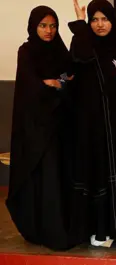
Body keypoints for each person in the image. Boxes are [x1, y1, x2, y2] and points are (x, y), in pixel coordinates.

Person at [68, 0, 116, 248]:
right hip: (94, 125)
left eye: (105, 19)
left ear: (113, 20)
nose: (100, 25)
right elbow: (79, 58)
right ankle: (99, 234)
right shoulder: (83, 43)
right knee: (99, 172)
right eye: (94, 20)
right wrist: (80, 27)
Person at [6, 5, 75, 251]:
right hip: (37, 130)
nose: (49, 31)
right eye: (43, 26)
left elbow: (70, 75)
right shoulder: (26, 51)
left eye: (53, 26)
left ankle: (60, 229)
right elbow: (29, 85)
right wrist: (50, 85)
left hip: (60, 127)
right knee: (44, 179)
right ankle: (41, 230)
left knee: (59, 178)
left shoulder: (60, 50)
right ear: (34, 26)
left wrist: (58, 83)